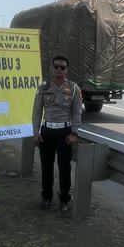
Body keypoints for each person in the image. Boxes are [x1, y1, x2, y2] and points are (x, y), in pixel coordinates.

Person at [31, 55, 83, 211]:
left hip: (64, 134)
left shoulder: (74, 88)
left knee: (64, 168)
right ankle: (46, 197)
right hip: (47, 132)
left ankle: (64, 199)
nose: (59, 70)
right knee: (46, 168)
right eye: (56, 67)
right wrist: (35, 132)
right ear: (51, 68)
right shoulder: (44, 87)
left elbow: (76, 113)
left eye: (63, 67)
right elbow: (37, 111)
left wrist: (74, 133)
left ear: (67, 70)